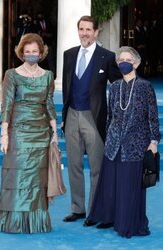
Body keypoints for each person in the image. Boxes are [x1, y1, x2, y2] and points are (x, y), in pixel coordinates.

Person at [86, 46, 161, 238]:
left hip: (136, 144)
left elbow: (152, 116)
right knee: (111, 184)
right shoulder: (115, 86)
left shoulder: (145, 86)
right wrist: (108, 138)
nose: (123, 63)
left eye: (127, 59)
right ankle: (109, 217)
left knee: (129, 185)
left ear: (135, 63)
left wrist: (154, 142)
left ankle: (129, 222)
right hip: (114, 143)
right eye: (120, 60)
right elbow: (110, 115)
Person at [0, 33, 58, 233]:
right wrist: (4, 133)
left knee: (38, 178)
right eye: (27, 52)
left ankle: (36, 221)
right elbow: (7, 104)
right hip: (19, 131)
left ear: (41, 53)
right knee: (19, 175)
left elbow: (48, 103)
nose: (31, 55)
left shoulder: (47, 76)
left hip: (41, 132)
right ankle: (14, 220)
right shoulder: (11, 74)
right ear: (21, 53)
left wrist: (54, 132)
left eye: (34, 52)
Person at [61, 15, 122, 227]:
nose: (84, 33)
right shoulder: (68, 55)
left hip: (94, 118)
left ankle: (95, 211)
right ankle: (77, 209)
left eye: (89, 29)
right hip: (72, 117)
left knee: (97, 168)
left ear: (96, 32)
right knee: (73, 165)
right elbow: (67, 89)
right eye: (81, 29)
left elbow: (119, 85)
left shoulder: (107, 56)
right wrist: (64, 117)